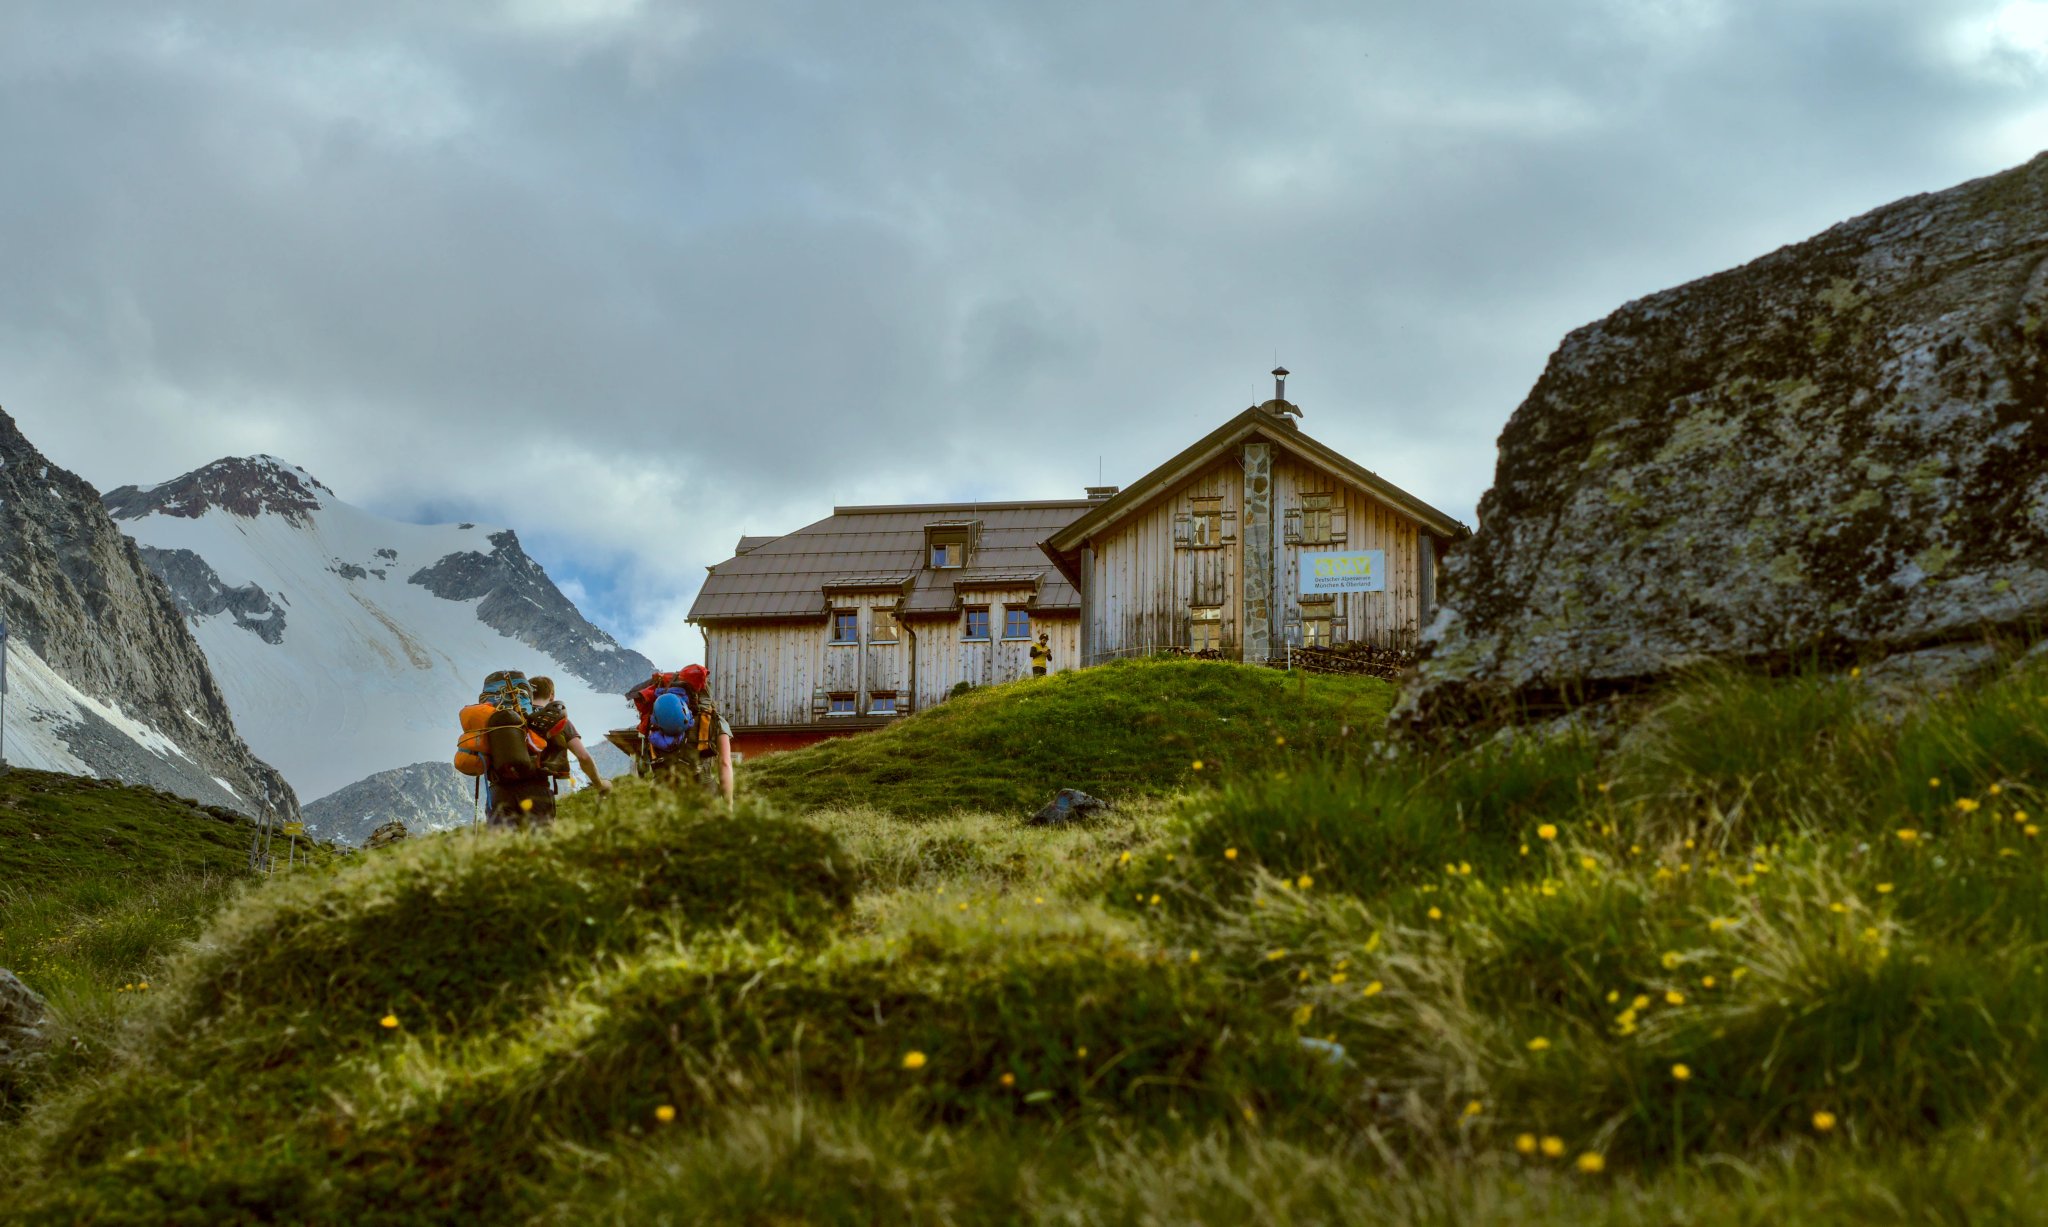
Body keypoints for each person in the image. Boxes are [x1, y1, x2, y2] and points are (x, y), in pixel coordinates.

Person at [528, 676, 611, 798]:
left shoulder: (515, 718)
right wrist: (599, 784)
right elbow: (583, 757)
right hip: (544, 786)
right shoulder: (559, 720)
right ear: (551, 695)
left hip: (508, 788)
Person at [678, 663, 734, 808]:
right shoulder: (716, 721)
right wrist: (728, 804)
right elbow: (725, 763)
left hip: (671, 791)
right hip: (705, 791)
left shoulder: (665, 718)